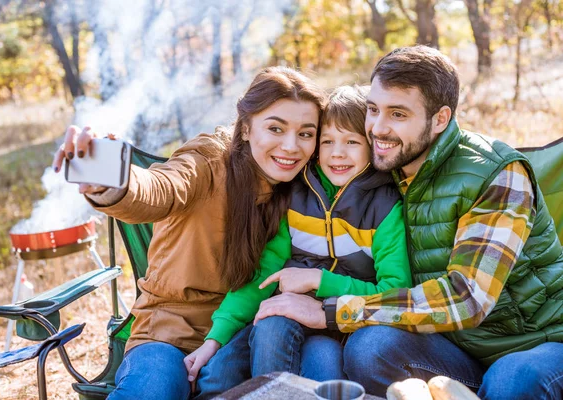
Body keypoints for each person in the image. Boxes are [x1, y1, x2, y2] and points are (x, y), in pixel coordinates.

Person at [252, 46, 563, 399]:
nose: (378, 129)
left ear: (440, 119)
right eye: (373, 110)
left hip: (538, 343)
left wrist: (330, 311)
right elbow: (280, 137)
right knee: (370, 347)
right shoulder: (381, 164)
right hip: (454, 349)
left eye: (397, 114)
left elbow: (467, 298)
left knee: (513, 379)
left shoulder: (497, 175)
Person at [51, 66, 327, 400]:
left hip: (245, 336)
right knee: (153, 390)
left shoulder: (310, 188)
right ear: (246, 128)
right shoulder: (210, 161)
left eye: (305, 133)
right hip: (171, 332)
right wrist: (112, 181)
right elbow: (161, 188)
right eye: (275, 128)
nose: (291, 146)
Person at [184, 85, 411, 382]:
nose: (337, 154)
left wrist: (319, 281)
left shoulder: (384, 207)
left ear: (371, 145)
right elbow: (263, 276)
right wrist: (215, 337)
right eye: (327, 141)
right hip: (286, 317)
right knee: (221, 370)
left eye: (352, 142)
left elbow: (396, 293)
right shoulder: (296, 196)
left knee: (318, 357)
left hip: (349, 321)